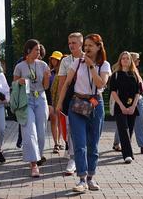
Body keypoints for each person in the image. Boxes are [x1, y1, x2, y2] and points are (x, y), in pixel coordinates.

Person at [57, 34, 111, 193]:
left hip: (95, 104)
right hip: (77, 105)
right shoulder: (76, 63)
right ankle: (81, 180)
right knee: (79, 144)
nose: (86, 49)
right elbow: (67, 83)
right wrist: (59, 103)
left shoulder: (104, 65)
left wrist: (92, 67)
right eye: (85, 45)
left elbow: (101, 84)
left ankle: (91, 177)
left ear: (99, 47)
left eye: (90, 46)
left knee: (92, 145)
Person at [13, 39, 51, 177]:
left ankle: (38, 156)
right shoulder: (20, 66)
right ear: (28, 51)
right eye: (36, 49)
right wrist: (20, 81)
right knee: (29, 130)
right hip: (26, 99)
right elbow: (14, 83)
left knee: (41, 131)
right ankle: (34, 163)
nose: (39, 52)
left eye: (40, 50)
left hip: (40, 97)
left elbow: (46, 86)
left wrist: (47, 77)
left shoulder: (43, 65)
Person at [112, 52, 143, 155]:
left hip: (138, 100)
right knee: (122, 125)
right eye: (137, 59)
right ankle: (118, 144)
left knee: (140, 123)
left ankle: (142, 145)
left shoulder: (135, 72)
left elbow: (139, 88)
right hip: (124, 102)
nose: (139, 61)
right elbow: (114, 91)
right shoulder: (119, 74)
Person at [57, 32, 85, 175]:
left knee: (88, 130)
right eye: (69, 43)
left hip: (86, 99)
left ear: (81, 43)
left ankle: (84, 155)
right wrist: (60, 101)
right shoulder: (66, 61)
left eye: (74, 42)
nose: (71, 45)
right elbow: (62, 83)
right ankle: (73, 158)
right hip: (70, 99)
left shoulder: (88, 59)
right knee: (71, 128)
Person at [46, 51, 63, 154]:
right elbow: (46, 88)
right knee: (53, 120)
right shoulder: (50, 72)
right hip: (51, 101)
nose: (54, 61)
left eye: (56, 59)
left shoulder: (64, 73)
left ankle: (60, 140)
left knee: (61, 122)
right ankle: (56, 143)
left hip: (61, 100)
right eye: (52, 59)